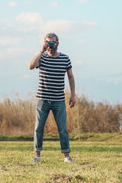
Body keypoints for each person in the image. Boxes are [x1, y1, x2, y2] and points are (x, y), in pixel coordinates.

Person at [28, 33, 76, 163]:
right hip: (42, 99)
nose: (50, 45)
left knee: (62, 128)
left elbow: (71, 77)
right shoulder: (42, 58)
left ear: (57, 43)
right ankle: (37, 155)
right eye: (47, 42)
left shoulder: (65, 58)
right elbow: (31, 66)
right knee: (39, 127)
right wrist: (41, 50)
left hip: (59, 99)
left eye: (52, 42)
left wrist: (73, 95)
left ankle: (66, 156)